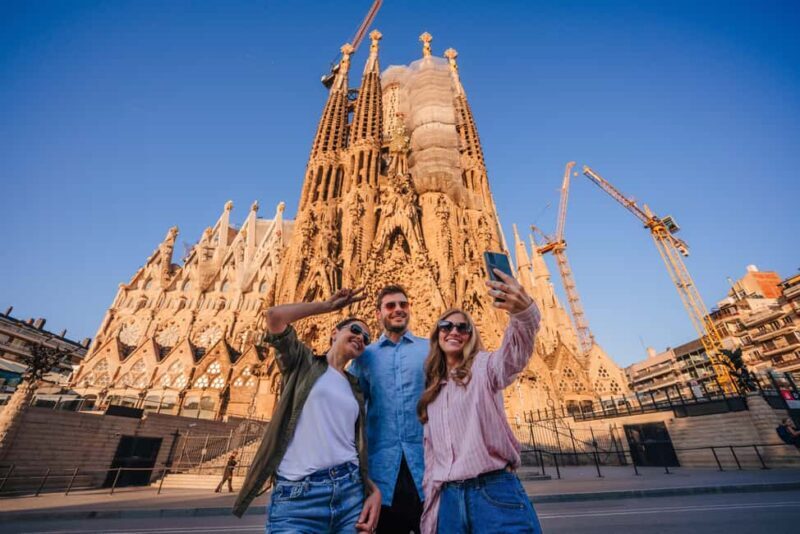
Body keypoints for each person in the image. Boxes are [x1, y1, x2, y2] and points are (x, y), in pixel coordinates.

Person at [232, 288, 381, 533]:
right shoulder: (303, 363)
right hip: (298, 496)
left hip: (350, 492)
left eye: (366, 337)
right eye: (355, 330)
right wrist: (326, 306)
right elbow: (275, 317)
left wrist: (372, 490)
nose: (360, 337)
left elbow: (351, 445)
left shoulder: (355, 388)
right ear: (335, 332)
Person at [417, 269, 543, 534]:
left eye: (462, 327)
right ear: (436, 335)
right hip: (448, 501)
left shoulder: (486, 368)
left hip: (493, 493)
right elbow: (432, 462)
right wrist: (430, 519)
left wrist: (523, 312)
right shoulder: (432, 395)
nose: (454, 331)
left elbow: (515, 354)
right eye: (446, 326)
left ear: (470, 336)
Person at [349, 285, 427, 533]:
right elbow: (348, 407)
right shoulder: (364, 356)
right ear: (378, 313)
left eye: (403, 304)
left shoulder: (431, 349)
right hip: (383, 477)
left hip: (427, 469)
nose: (398, 310)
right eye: (391, 305)